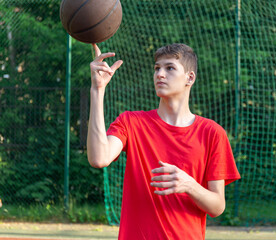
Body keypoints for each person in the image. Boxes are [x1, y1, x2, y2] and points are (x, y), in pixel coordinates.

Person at [87, 43, 240, 240]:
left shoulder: (212, 133)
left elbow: (217, 206)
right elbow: (99, 158)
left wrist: (189, 185)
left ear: (190, 78)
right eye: (157, 68)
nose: (160, 74)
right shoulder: (131, 122)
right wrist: (97, 90)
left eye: (169, 68)